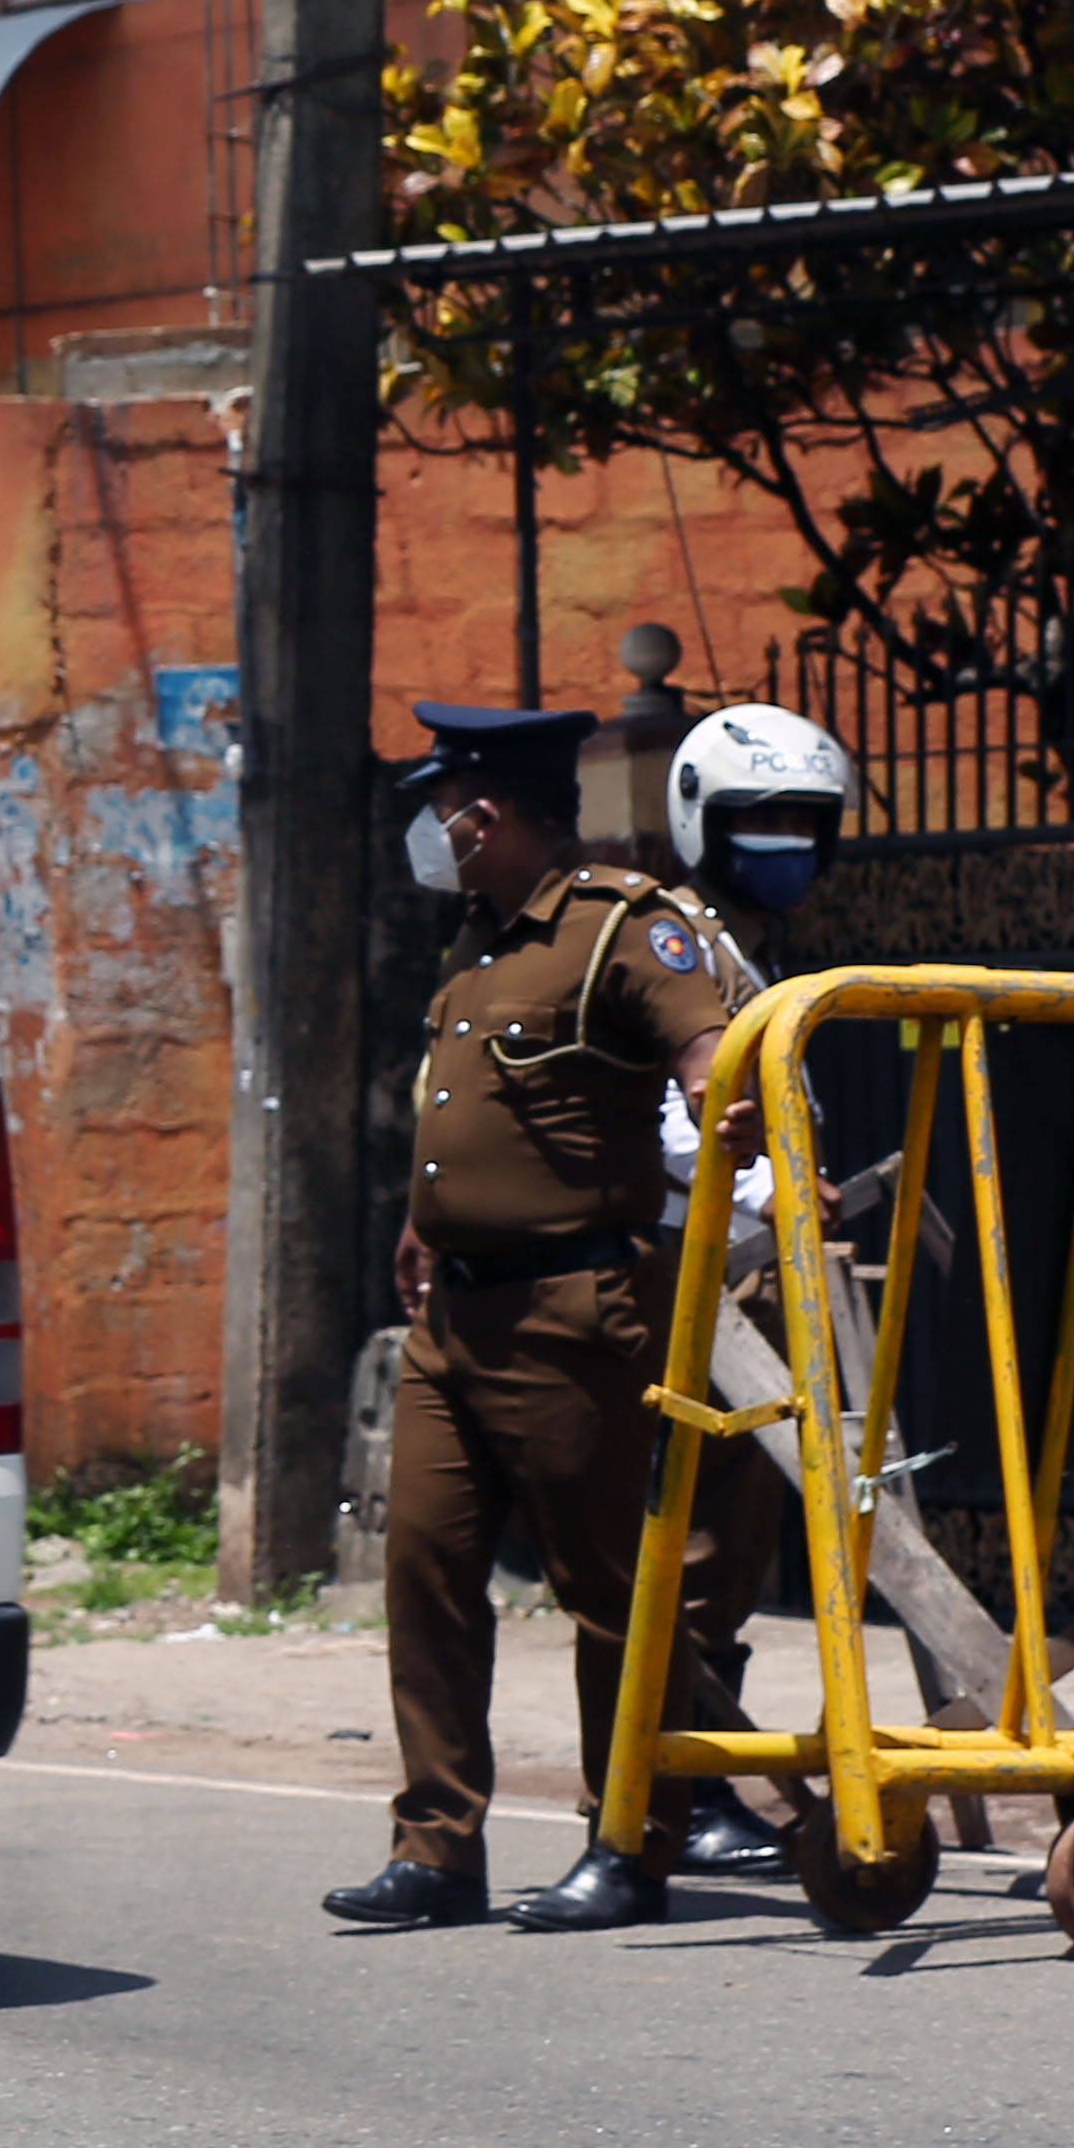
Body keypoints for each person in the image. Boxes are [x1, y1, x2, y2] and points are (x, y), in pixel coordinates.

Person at [323, 708, 763, 1935]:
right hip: (452, 1317)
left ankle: (631, 1840)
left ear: (490, 812)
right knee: (426, 1571)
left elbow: (710, 1046)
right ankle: (434, 1848)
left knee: (611, 1591)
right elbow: (474, 1112)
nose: (432, 834)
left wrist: (726, 1105)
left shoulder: (620, 925)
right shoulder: (474, 947)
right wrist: (427, 1216)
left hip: (574, 1312)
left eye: (443, 807)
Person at [644, 703, 866, 1877]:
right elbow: (676, 1132)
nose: (785, 841)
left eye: (803, 822)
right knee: (688, 1550)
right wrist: (778, 1189)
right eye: (760, 820)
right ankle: (692, 1780)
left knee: (733, 1553)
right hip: (694, 1284)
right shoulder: (675, 943)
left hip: (748, 1281)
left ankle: (705, 1776)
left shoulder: (751, 953)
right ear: (702, 824)